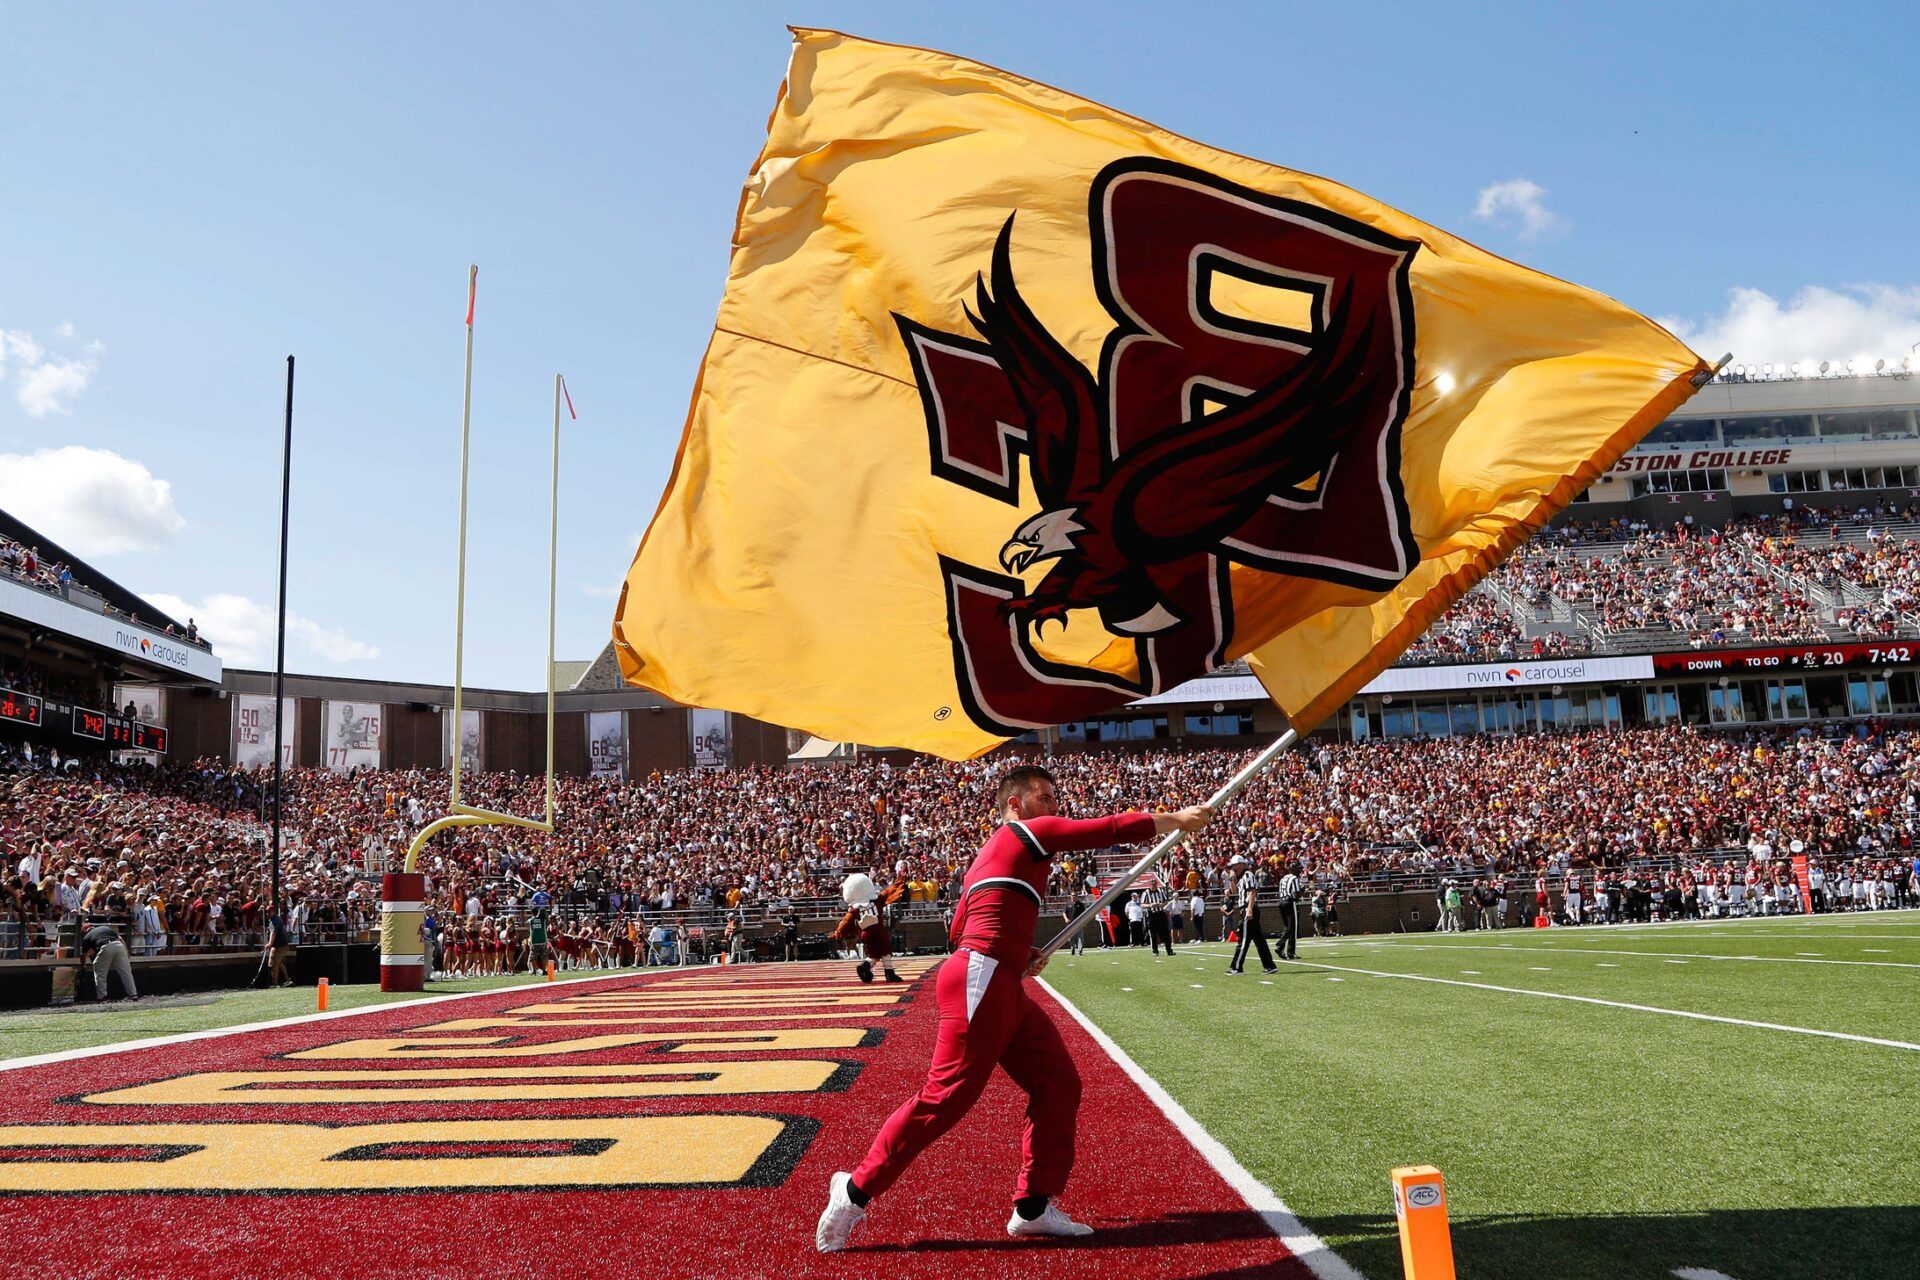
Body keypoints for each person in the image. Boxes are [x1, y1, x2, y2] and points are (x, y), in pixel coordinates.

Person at [816, 764, 1210, 1251]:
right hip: (981, 978)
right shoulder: (1024, 832)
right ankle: (854, 1192)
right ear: (1016, 804)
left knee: (1057, 1082)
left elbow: (960, 924)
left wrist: (1018, 952)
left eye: (1055, 798)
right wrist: (1173, 819)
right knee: (945, 1099)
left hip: (997, 978)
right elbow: (1101, 830)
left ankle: (1033, 1208)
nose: (1054, 807)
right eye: (1045, 797)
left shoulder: (988, 860)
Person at [1226, 855, 1276, 975]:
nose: (1233, 867)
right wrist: (1232, 879)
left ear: (1242, 864)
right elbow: (1234, 892)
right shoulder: (1241, 877)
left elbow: (1252, 892)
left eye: (1235, 865)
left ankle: (1237, 967)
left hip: (1249, 909)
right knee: (1259, 940)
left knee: (1243, 939)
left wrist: (1249, 909)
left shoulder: (1248, 875)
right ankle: (1269, 966)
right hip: (1247, 909)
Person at [80, 921, 138, 1001]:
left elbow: (83, 954)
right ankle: (133, 995)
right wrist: (126, 953)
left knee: (99, 971)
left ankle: (102, 997)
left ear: (85, 931)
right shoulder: (105, 928)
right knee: (126, 972)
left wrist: (83, 965)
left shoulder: (86, 937)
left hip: (105, 947)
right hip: (119, 945)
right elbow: (120, 938)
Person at [1273, 861, 1303, 960]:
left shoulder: (1283, 878)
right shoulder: (1294, 878)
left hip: (1281, 902)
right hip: (1290, 902)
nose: (1299, 871)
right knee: (1293, 927)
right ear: (1293, 869)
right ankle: (1289, 951)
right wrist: (1302, 891)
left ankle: (1281, 947)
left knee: (1287, 926)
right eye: (1298, 869)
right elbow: (1296, 894)